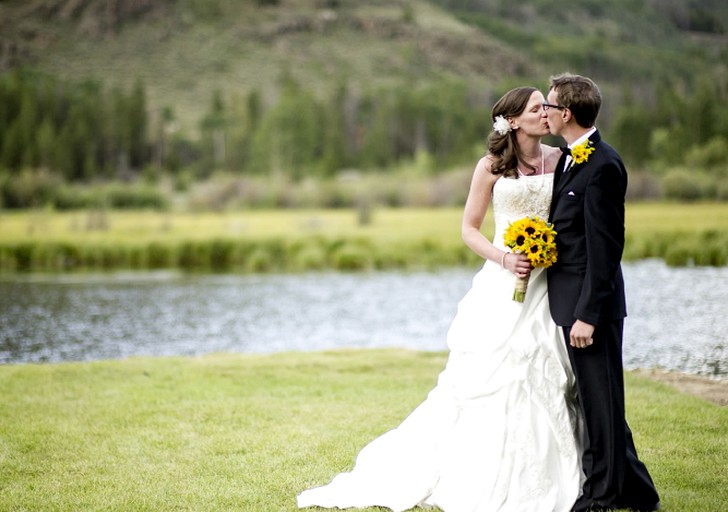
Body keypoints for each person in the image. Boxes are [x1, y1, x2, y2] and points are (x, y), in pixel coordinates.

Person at [297, 86, 583, 512]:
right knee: (492, 373)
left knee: (549, 370)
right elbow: (469, 229)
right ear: (512, 121)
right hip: (505, 280)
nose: (547, 112)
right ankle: (481, 471)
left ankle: (566, 472)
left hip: (550, 284)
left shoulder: (561, 161)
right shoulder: (490, 167)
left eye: (547, 105)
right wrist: (506, 258)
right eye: (537, 107)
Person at [544, 73, 660, 512]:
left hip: (593, 309)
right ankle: (637, 491)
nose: (547, 113)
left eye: (550, 106)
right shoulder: (574, 159)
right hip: (571, 302)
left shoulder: (604, 165)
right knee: (599, 402)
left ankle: (600, 497)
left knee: (601, 402)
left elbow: (606, 249)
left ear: (567, 113)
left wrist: (589, 315)